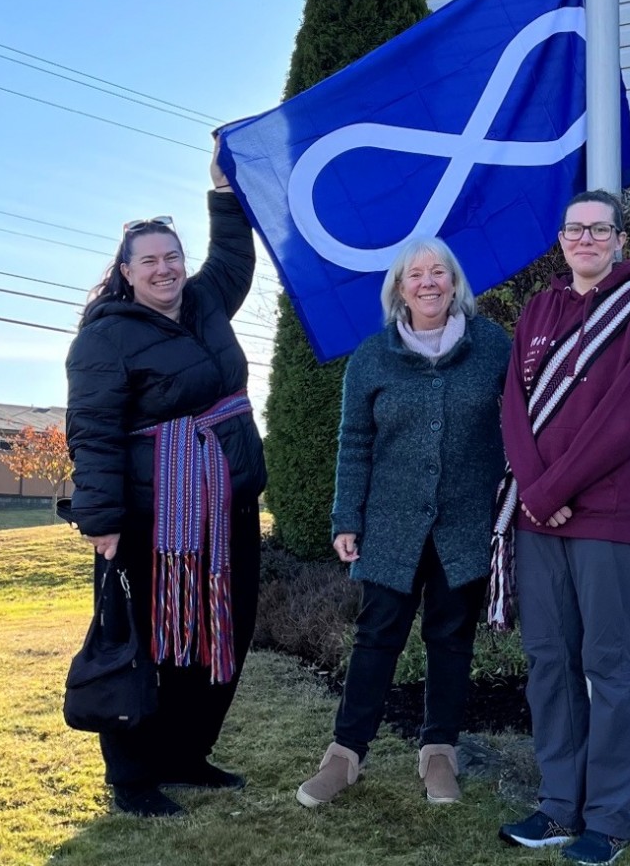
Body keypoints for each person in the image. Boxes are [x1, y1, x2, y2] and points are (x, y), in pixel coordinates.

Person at [64, 148, 266, 818]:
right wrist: (101, 520)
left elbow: (234, 259)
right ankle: (132, 776)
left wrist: (223, 195)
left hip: (227, 507)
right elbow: (91, 431)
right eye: (149, 260)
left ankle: (185, 755)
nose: (165, 268)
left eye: (171, 256)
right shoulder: (106, 337)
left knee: (217, 633)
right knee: (144, 640)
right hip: (152, 518)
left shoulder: (205, 303)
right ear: (125, 272)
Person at [296, 237, 511, 809]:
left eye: (439, 271)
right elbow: (355, 442)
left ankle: (439, 753)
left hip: (466, 522)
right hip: (391, 524)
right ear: (399, 288)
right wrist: (347, 516)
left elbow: (521, 423)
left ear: (455, 282)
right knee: (376, 638)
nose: (429, 282)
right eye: (415, 274)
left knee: (450, 639)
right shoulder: (372, 356)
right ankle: (344, 757)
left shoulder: (493, 347)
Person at [497, 189, 630, 865]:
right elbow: (514, 405)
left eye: (600, 229)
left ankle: (609, 818)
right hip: (541, 518)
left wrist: (551, 489)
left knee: (605, 667)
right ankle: (558, 806)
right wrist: (539, 494)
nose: (587, 239)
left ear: (620, 241)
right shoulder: (538, 310)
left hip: (607, 516)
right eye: (576, 229)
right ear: (563, 238)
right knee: (548, 662)